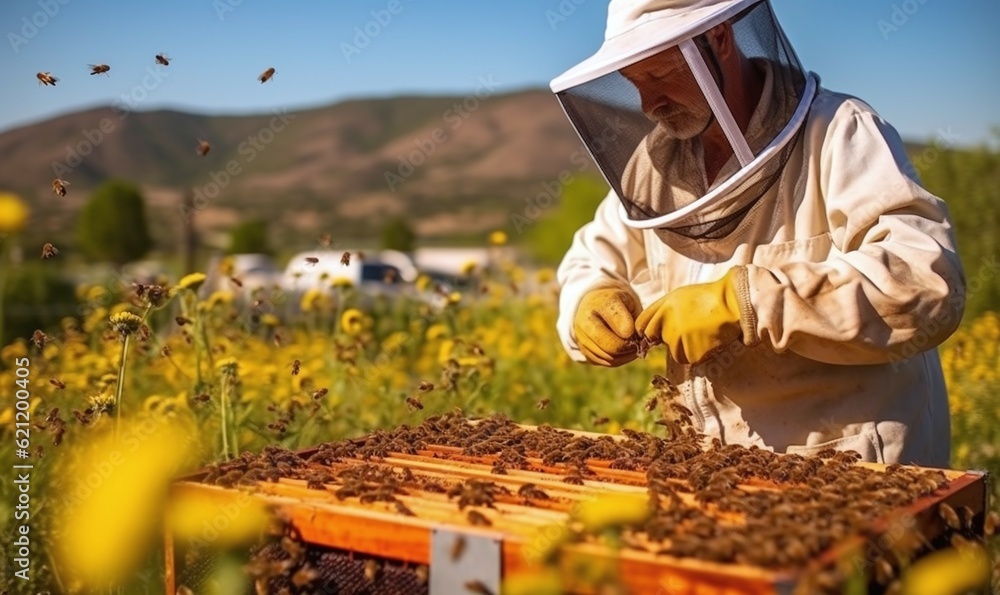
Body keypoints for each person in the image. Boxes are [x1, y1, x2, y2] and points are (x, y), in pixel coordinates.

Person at [551, 0, 965, 467]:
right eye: (635, 82)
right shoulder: (655, 164)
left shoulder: (838, 133)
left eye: (662, 74)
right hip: (710, 468)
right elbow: (592, 258)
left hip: (854, 467)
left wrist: (748, 303)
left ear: (721, 37)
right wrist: (590, 297)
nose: (650, 104)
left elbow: (926, 283)